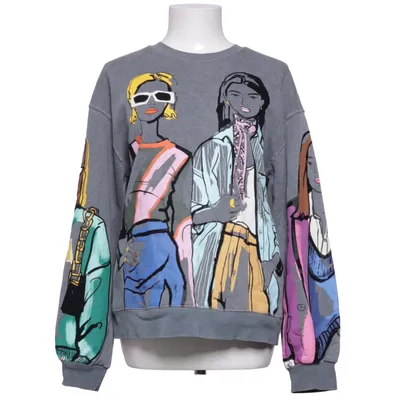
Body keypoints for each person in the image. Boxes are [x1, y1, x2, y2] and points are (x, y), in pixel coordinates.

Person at [191, 72, 282, 313]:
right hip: (222, 243)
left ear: (262, 102)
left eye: (252, 96)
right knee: (215, 314)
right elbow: (190, 214)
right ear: (226, 99)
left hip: (260, 248)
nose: (244, 101)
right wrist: (215, 213)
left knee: (259, 314)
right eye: (236, 94)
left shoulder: (268, 149)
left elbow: (278, 207)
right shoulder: (211, 148)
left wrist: (273, 259)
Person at [120, 72, 194, 308]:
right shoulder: (125, 152)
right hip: (132, 249)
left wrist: (175, 256)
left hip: (162, 242)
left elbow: (182, 214)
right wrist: (122, 247)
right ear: (132, 104)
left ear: (169, 102)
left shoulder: (178, 157)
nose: (151, 103)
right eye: (142, 98)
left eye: (160, 96)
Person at [283, 131, 340, 366]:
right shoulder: (296, 221)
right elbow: (291, 285)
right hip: (311, 345)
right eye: (309, 163)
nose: (315, 171)